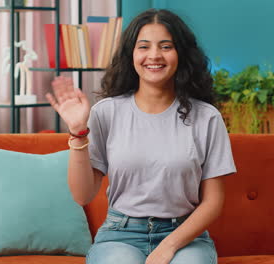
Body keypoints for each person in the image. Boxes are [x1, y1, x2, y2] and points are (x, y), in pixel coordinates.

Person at [46, 8, 236, 264]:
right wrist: (78, 133)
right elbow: (82, 195)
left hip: (185, 235)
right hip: (120, 234)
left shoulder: (207, 117)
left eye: (166, 46)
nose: (154, 55)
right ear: (131, 55)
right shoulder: (106, 112)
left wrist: (168, 246)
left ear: (181, 53)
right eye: (143, 46)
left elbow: (213, 201)